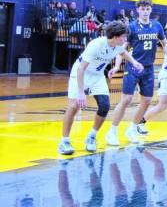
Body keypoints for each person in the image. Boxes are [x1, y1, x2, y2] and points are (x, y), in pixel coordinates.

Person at [58, 21, 142, 155]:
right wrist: (81, 93)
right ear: (115, 36)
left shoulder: (117, 45)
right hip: (81, 74)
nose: (126, 39)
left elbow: (123, 52)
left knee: (104, 106)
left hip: (97, 76)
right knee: (74, 106)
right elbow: (81, 69)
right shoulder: (96, 45)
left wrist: (134, 62)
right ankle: (64, 141)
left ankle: (91, 136)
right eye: (124, 37)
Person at [106, 0, 167, 146]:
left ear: (150, 10)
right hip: (133, 67)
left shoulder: (157, 26)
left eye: (147, 9)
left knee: (146, 100)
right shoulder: (132, 27)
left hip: (148, 68)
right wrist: (116, 66)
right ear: (138, 10)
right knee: (126, 99)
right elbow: (122, 48)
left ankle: (132, 129)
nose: (145, 11)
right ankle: (112, 131)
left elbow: (165, 44)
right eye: (142, 9)